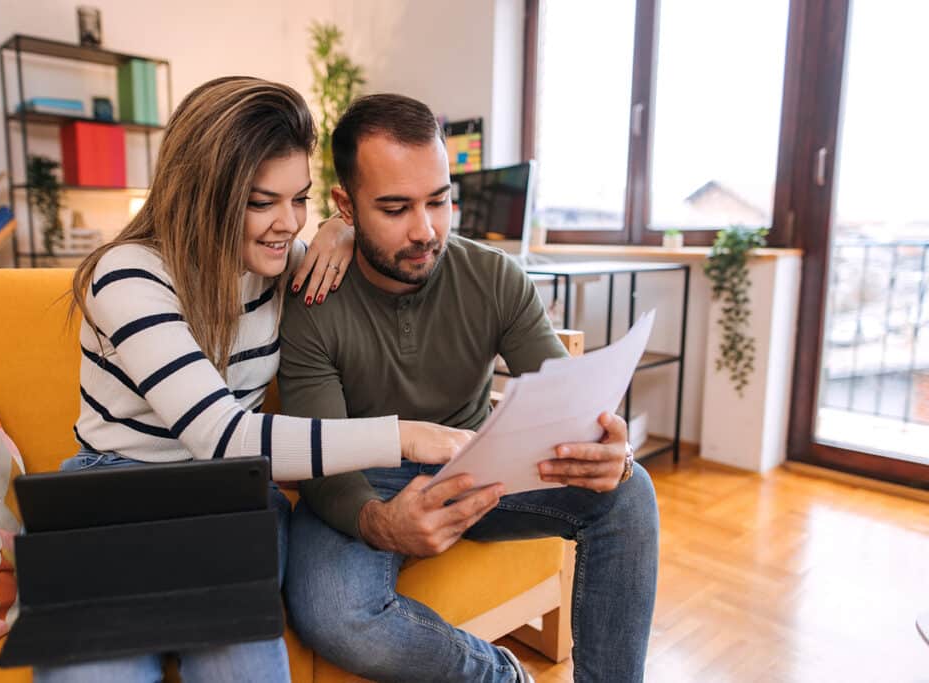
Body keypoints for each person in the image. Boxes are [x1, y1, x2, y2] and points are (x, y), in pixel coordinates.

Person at [37, 78, 471, 683]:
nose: (288, 223)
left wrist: (341, 230)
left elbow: (367, 244)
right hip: (117, 496)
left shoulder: (285, 265)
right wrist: (400, 437)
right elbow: (224, 436)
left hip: (230, 502)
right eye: (261, 201)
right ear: (203, 193)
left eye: (300, 200)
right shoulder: (128, 275)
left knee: (242, 667)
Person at [279, 94, 660, 683]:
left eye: (439, 200)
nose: (425, 230)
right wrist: (379, 521)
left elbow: (568, 406)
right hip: (361, 475)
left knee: (630, 493)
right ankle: (501, 676)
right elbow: (323, 458)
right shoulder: (313, 299)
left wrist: (609, 447)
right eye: (395, 207)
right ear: (345, 206)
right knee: (336, 613)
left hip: (477, 465)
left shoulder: (493, 276)